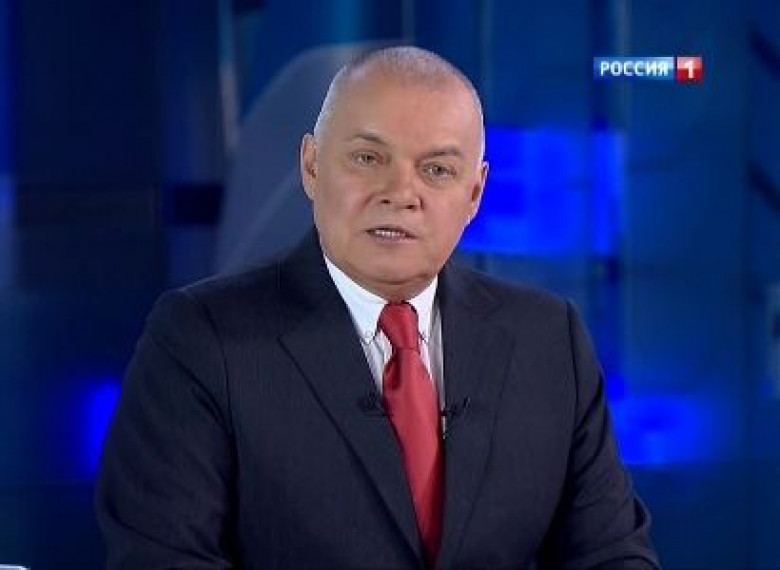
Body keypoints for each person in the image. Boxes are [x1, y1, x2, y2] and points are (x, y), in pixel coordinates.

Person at [96, 46, 660, 569]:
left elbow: (612, 556)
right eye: (368, 158)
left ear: (475, 193)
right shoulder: (200, 340)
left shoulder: (548, 340)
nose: (401, 193)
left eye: (437, 170)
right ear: (311, 165)